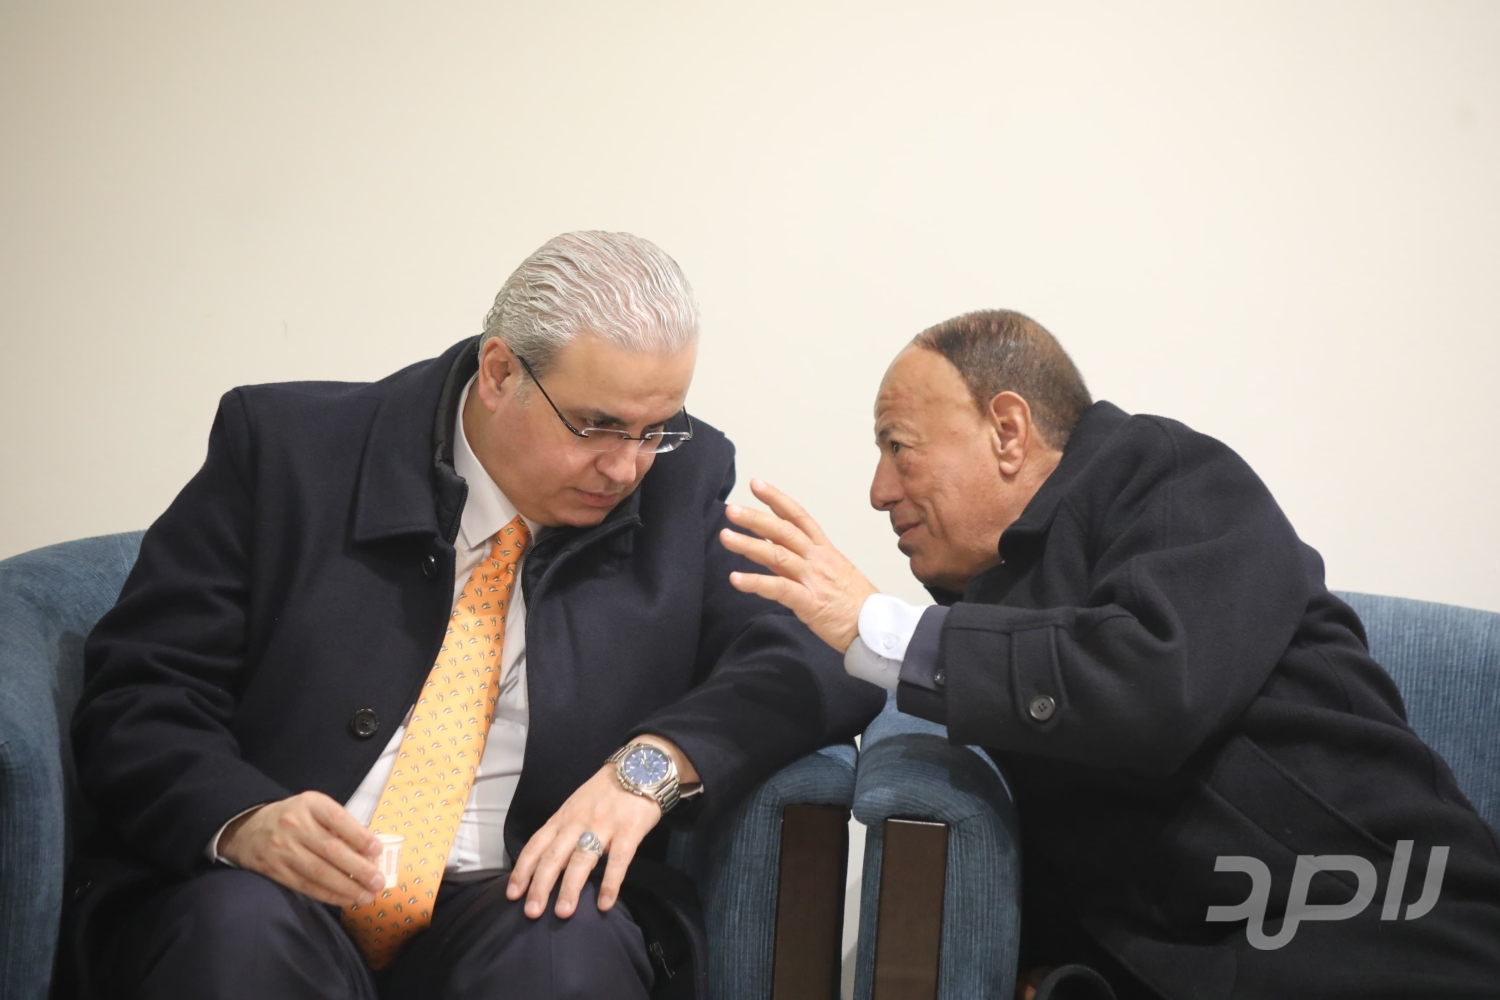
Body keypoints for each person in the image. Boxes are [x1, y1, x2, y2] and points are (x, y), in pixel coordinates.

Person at [68, 231, 884, 1000]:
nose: (625, 467)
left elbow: (823, 651)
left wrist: (651, 767)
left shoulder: (677, 487)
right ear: (498, 373)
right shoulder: (289, 453)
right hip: (274, 887)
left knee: (564, 951)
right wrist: (243, 818)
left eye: (654, 430)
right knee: (238, 935)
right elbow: (142, 693)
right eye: (597, 425)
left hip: (514, 899)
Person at [719, 309, 1500, 999]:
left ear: (1008, 430)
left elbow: (1153, 688)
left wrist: (884, 627)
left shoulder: (1167, 474)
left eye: (899, 446)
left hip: (1400, 929)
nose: (878, 490)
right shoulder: (996, 614)